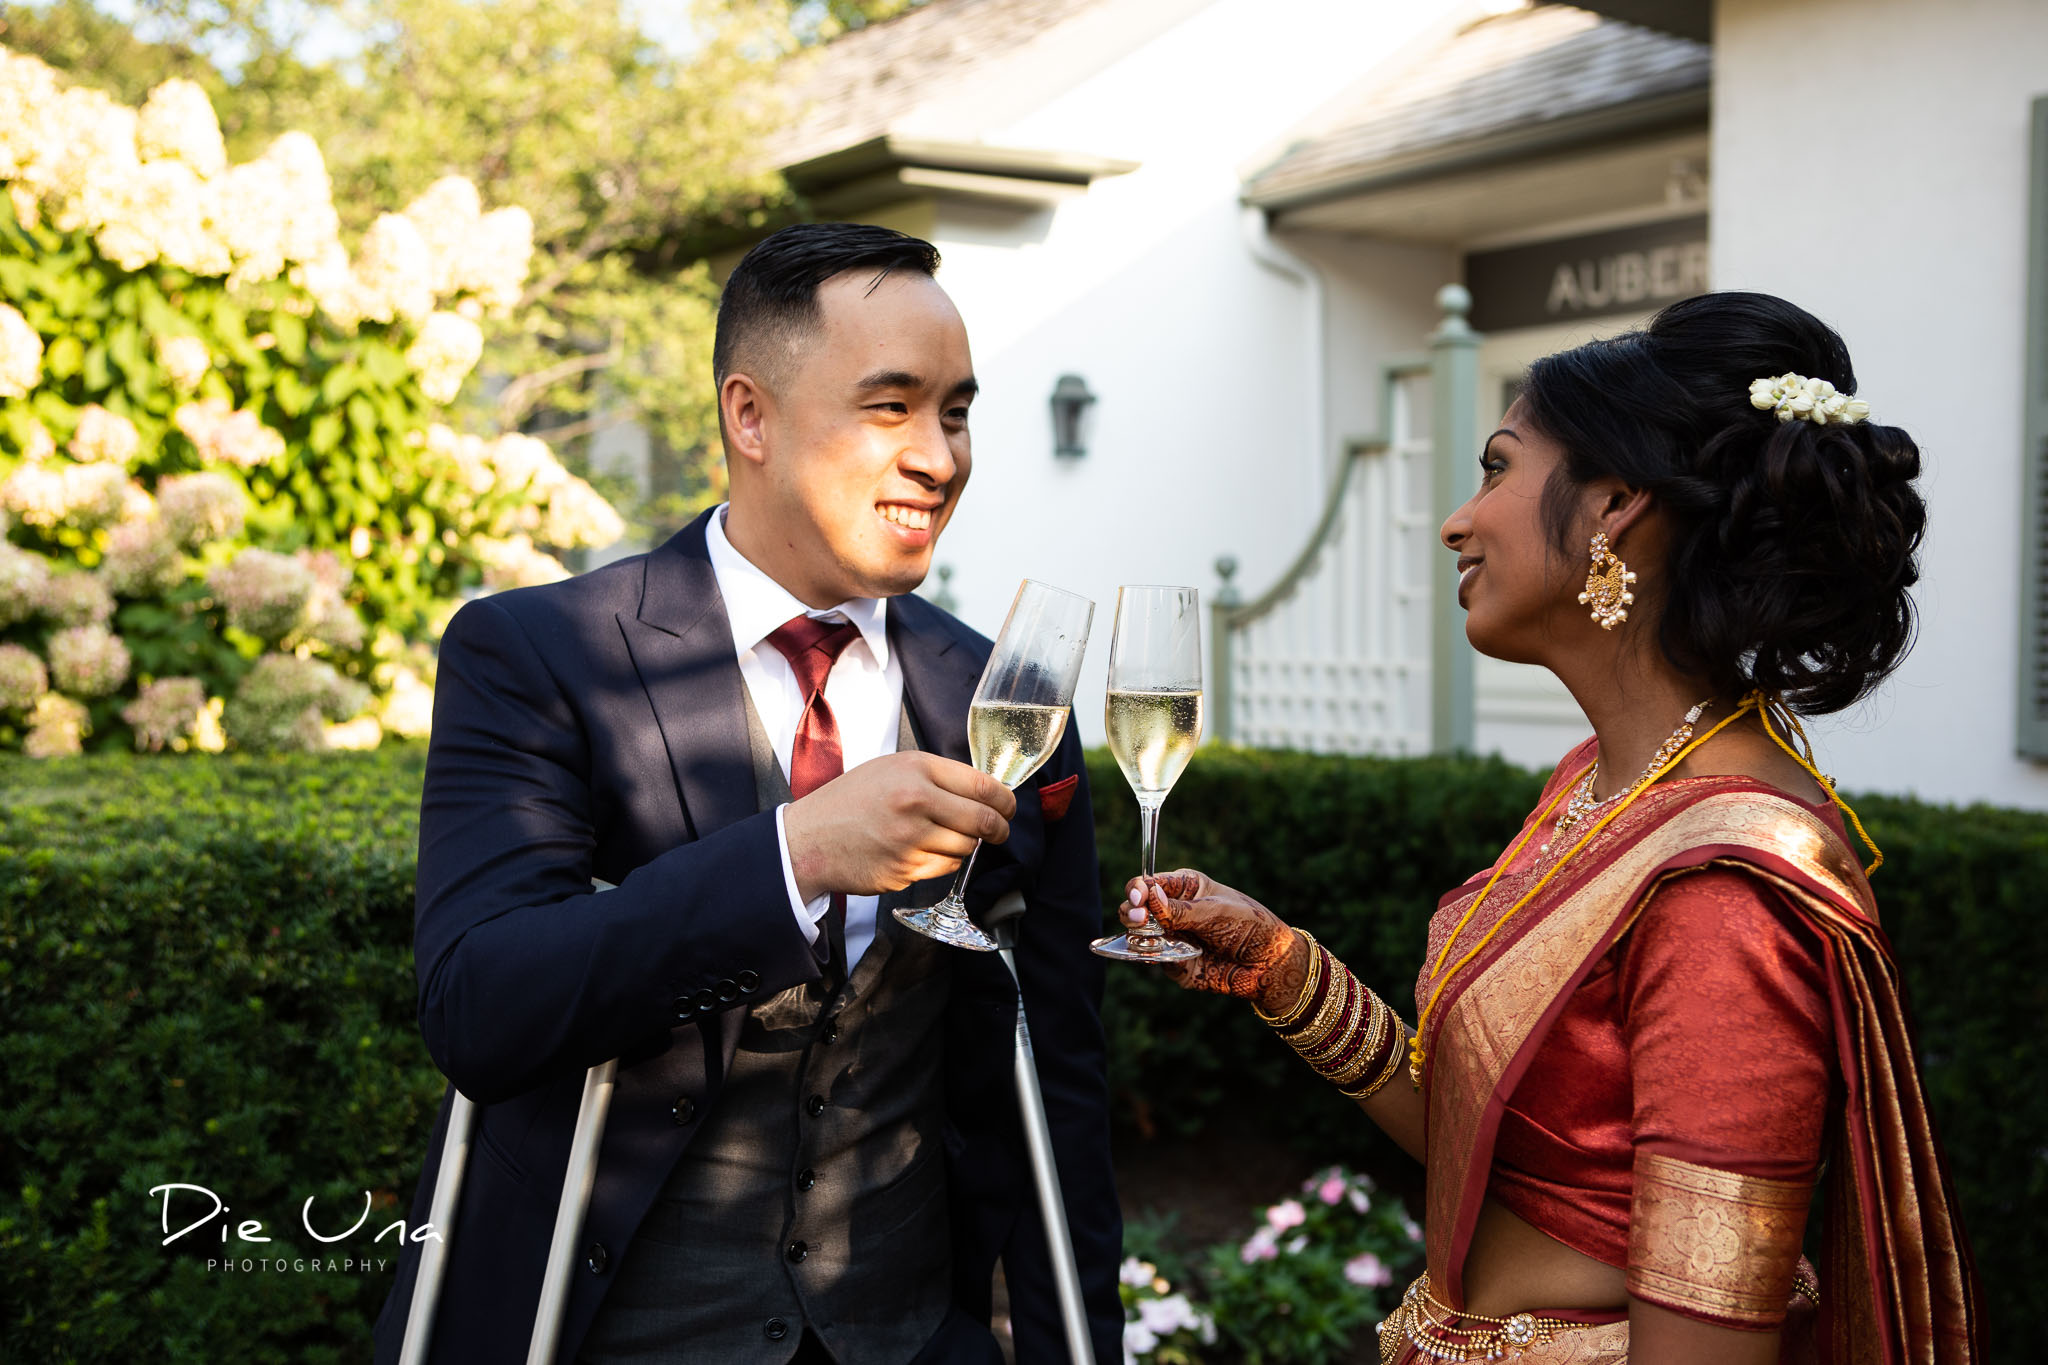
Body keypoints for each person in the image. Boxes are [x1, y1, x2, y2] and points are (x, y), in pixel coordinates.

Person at [1114, 293, 1981, 1364]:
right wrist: (1282, 970)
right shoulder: (1594, 785)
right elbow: (1482, 1137)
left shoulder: (1723, 894)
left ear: (1615, 503)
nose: (1455, 520)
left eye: (1493, 467)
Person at [371, 223, 1124, 1365]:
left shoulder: (1003, 700)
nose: (939, 456)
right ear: (749, 416)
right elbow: (480, 1005)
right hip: (603, 1329)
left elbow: (1052, 1081)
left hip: (907, 1331)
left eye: (956, 411)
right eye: (889, 406)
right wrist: (794, 857)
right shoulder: (539, 654)